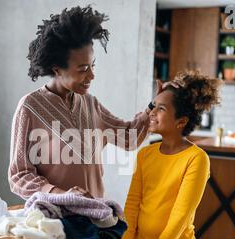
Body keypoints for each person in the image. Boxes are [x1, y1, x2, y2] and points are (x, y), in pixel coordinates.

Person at [9, 5, 151, 200]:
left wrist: (156, 106)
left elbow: (129, 137)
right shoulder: (30, 107)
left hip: (94, 217)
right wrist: (62, 195)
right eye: (83, 68)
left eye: (92, 65)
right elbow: (19, 175)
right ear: (57, 68)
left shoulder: (91, 104)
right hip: (54, 220)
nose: (92, 75)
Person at [114, 70, 222, 239]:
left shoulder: (196, 159)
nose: (151, 112)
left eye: (160, 109)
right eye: (154, 106)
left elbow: (180, 218)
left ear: (181, 121)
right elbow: (132, 206)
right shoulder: (145, 154)